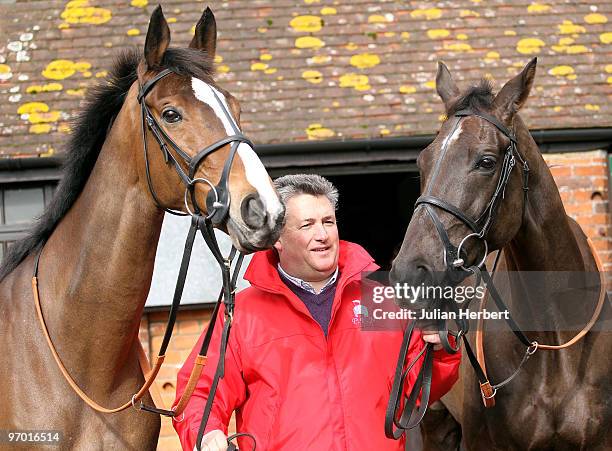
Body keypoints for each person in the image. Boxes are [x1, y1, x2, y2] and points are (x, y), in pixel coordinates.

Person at [173, 174, 460, 450]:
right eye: (307, 225)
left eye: (328, 222)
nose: (322, 234)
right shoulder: (242, 313)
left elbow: (417, 391)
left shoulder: (384, 297)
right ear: (278, 238)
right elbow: (200, 393)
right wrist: (206, 432)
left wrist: (440, 350)